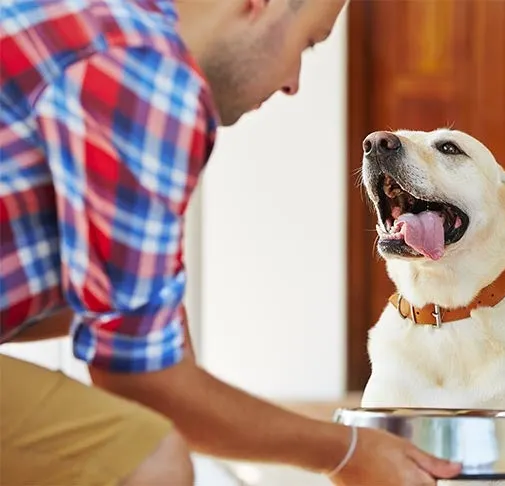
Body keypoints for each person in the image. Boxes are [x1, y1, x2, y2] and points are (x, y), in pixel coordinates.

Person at [0, 0, 464, 484]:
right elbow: (141, 382)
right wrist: (345, 451)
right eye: (306, 43)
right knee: (150, 458)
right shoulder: (147, 74)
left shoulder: (102, 20)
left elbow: (120, 316)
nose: (293, 82)